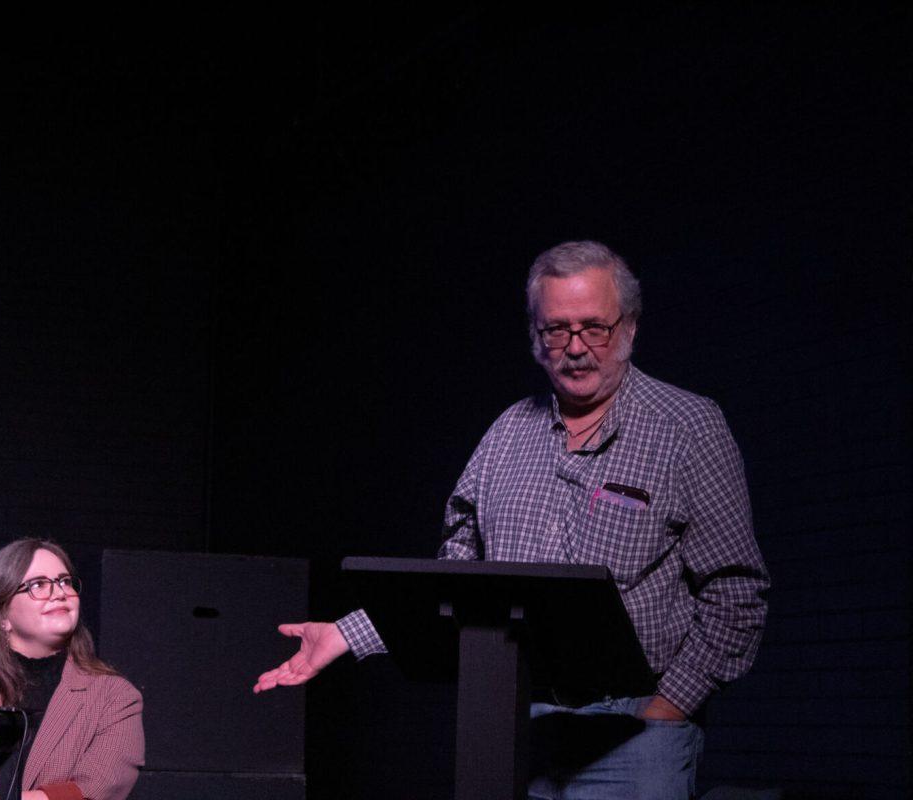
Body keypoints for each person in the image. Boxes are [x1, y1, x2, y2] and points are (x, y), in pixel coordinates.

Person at [254, 241, 769, 799]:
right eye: (556, 330)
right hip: (518, 726)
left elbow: (737, 593)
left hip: (637, 736)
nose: (575, 348)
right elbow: (459, 582)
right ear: (535, 335)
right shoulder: (506, 436)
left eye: (593, 327)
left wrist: (669, 707)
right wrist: (345, 634)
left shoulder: (688, 427)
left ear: (630, 328)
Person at [0, 538, 144, 800]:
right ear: (2, 617)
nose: (59, 593)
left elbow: (95, 789)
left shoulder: (114, 697)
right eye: (38, 585)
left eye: (65, 581)